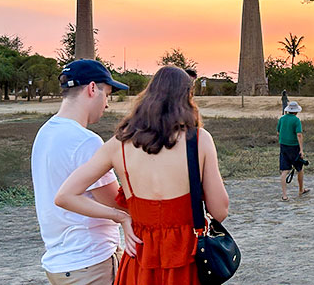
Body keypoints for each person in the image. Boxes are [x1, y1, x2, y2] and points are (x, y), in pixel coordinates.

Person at [55, 66, 229, 285]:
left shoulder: (118, 144)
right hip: (186, 258)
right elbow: (220, 211)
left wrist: (121, 216)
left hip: (138, 258)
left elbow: (64, 196)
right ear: (187, 97)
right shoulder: (199, 140)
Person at [31, 59, 129, 284]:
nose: (107, 104)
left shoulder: (45, 132)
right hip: (90, 260)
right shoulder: (85, 141)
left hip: (61, 261)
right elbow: (115, 202)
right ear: (92, 88)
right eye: (107, 94)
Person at [277, 101, 310, 201]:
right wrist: (301, 150)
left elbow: (278, 133)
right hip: (294, 147)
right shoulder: (296, 120)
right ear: (296, 111)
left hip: (283, 146)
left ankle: (284, 195)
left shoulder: (281, 119)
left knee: (284, 171)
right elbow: (299, 135)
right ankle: (301, 189)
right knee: (300, 169)